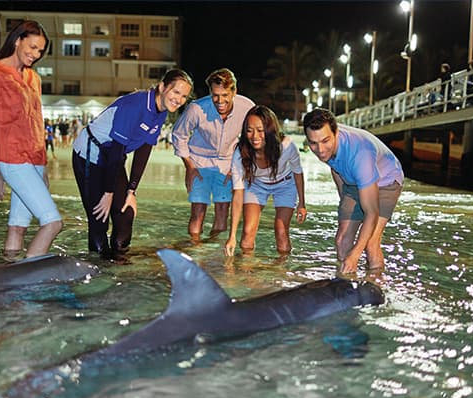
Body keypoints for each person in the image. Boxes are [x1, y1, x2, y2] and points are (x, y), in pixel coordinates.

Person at [72, 68, 193, 258]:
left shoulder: (161, 111)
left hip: (114, 158)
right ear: (162, 87)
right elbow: (116, 150)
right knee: (99, 219)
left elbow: (144, 149)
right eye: (176, 92)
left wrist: (131, 191)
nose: (179, 99)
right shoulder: (135, 105)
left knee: (126, 215)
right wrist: (108, 193)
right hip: (90, 154)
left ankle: (120, 267)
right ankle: (98, 270)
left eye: (184, 96)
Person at [0, 19, 63, 259]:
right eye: (32, 47)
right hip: (12, 158)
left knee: (18, 226)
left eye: (40, 50)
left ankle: (9, 279)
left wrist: (43, 166)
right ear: (17, 41)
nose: (35, 54)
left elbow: (36, 121)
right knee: (53, 223)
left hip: (35, 158)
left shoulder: (34, 78)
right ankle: (28, 282)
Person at [303, 108, 404, 274]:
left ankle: (376, 286)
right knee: (342, 239)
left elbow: (371, 213)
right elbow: (336, 167)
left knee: (370, 243)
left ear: (336, 133)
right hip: (353, 181)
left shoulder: (360, 153)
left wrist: (355, 255)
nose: (320, 149)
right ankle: (347, 284)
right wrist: (345, 202)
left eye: (325, 141)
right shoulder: (323, 143)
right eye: (313, 143)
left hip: (386, 179)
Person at [172, 68, 254, 239]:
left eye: (225, 95)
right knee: (198, 211)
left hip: (228, 163)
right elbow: (179, 135)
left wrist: (240, 165)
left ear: (234, 92)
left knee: (223, 210)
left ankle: (214, 254)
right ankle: (195, 251)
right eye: (215, 95)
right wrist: (189, 167)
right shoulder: (196, 108)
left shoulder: (247, 107)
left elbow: (253, 138)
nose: (220, 100)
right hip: (199, 162)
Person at [224, 105, 307, 256]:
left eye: (260, 130)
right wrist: (232, 236)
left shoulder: (286, 146)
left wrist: (302, 203)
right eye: (249, 130)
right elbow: (237, 194)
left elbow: (297, 172)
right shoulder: (240, 152)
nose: (254, 136)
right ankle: (246, 273)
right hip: (256, 185)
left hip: (285, 185)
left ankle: (281, 270)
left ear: (269, 130)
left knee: (281, 231)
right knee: (247, 232)